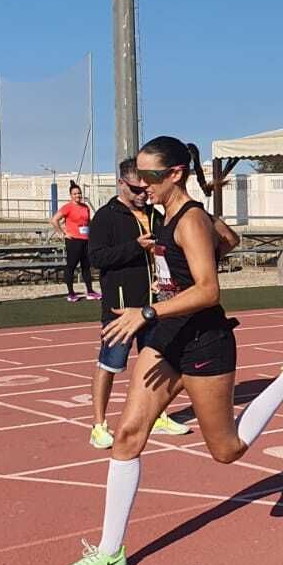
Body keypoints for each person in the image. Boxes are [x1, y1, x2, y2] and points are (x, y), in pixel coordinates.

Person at [52, 136, 283, 565]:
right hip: (168, 337)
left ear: (175, 175)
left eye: (149, 177)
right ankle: (110, 553)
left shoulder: (188, 220)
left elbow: (209, 290)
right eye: (137, 177)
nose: (141, 184)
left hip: (204, 341)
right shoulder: (172, 216)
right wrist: (196, 240)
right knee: (127, 435)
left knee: (227, 451)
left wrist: (147, 311)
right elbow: (230, 239)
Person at [86, 158, 192, 447]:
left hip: (153, 306)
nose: (142, 194)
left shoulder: (155, 214)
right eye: (136, 189)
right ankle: (98, 425)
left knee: (155, 362)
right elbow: (97, 258)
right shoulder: (106, 217)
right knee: (110, 365)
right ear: (121, 183)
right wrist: (136, 247)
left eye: (145, 188)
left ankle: (156, 415)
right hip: (121, 308)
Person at [51, 181, 100, 302]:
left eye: (79, 193)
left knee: (86, 266)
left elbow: (88, 222)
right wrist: (63, 233)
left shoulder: (85, 207)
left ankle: (90, 291)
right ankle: (71, 293)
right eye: (75, 194)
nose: (78, 195)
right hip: (73, 241)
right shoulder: (68, 207)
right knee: (71, 266)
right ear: (71, 195)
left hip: (85, 240)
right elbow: (54, 220)